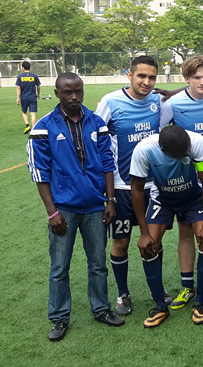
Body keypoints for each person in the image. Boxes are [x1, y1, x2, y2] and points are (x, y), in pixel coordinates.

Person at [27, 72, 125, 341]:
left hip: (95, 207)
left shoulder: (97, 122)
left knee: (98, 263)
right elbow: (39, 173)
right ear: (57, 93)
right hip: (64, 210)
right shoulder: (43, 127)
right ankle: (59, 317)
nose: (74, 97)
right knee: (60, 267)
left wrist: (110, 200)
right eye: (68, 92)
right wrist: (52, 212)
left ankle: (101, 309)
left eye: (78, 91)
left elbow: (108, 163)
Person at [96, 56, 167, 316]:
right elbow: (96, 138)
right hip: (122, 188)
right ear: (130, 75)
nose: (147, 82)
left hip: (153, 185)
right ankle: (123, 293)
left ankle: (156, 290)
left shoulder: (158, 101)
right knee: (122, 242)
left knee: (154, 240)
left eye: (152, 77)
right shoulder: (110, 101)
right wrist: (106, 191)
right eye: (141, 76)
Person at [160, 55, 203, 310]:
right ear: (187, 79)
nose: (202, 82)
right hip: (185, 179)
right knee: (185, 230)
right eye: (197, 77)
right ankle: (187, 285)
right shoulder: (174, 103)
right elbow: (161, 137)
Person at [130, 125, 203, 327]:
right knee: (148, 247)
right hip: (163, 199)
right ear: (163, 150)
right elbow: (136, 189)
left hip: (193, 198)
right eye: (180, 155)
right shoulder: (144, 149)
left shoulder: (197, 142)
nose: (186, 155)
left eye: (186, 152)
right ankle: (161, 306)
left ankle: (200, 301)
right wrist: (143, 233)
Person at [16, 60, 41, 134]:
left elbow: (18, 88)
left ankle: (27, 126)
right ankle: (33, 129)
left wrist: (18, 98)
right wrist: (38, 94)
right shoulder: (34, 76)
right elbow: (38, 86)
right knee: (33, 113)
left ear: (23, 68)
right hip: (32, 97)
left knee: (24, 112)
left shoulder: (20, 77)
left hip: (24, 97)